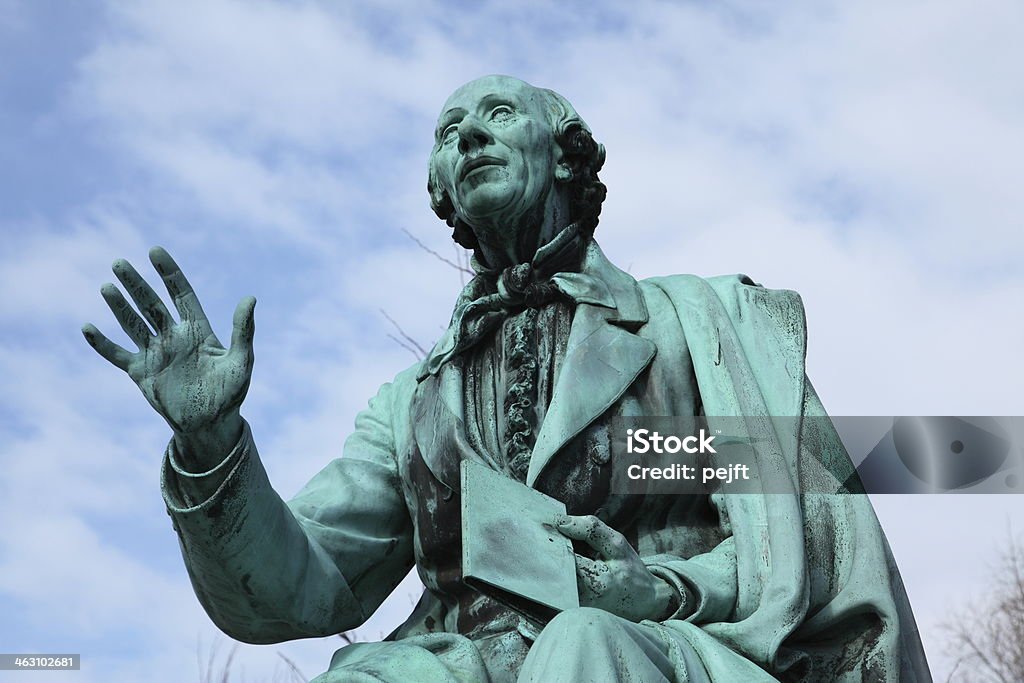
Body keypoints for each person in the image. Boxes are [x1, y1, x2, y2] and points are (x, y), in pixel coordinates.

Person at [83, 75, 931, 682]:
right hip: (466, 659)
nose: (470, 137)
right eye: (450, 133)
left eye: (496, 115)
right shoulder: (414, 404)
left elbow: (795, 534)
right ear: (443, 193)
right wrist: (211, 442)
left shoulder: (689, 328)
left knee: (580, 648)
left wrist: (663, 586)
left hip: (670, 644)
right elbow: (305, 583)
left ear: (567, 158)